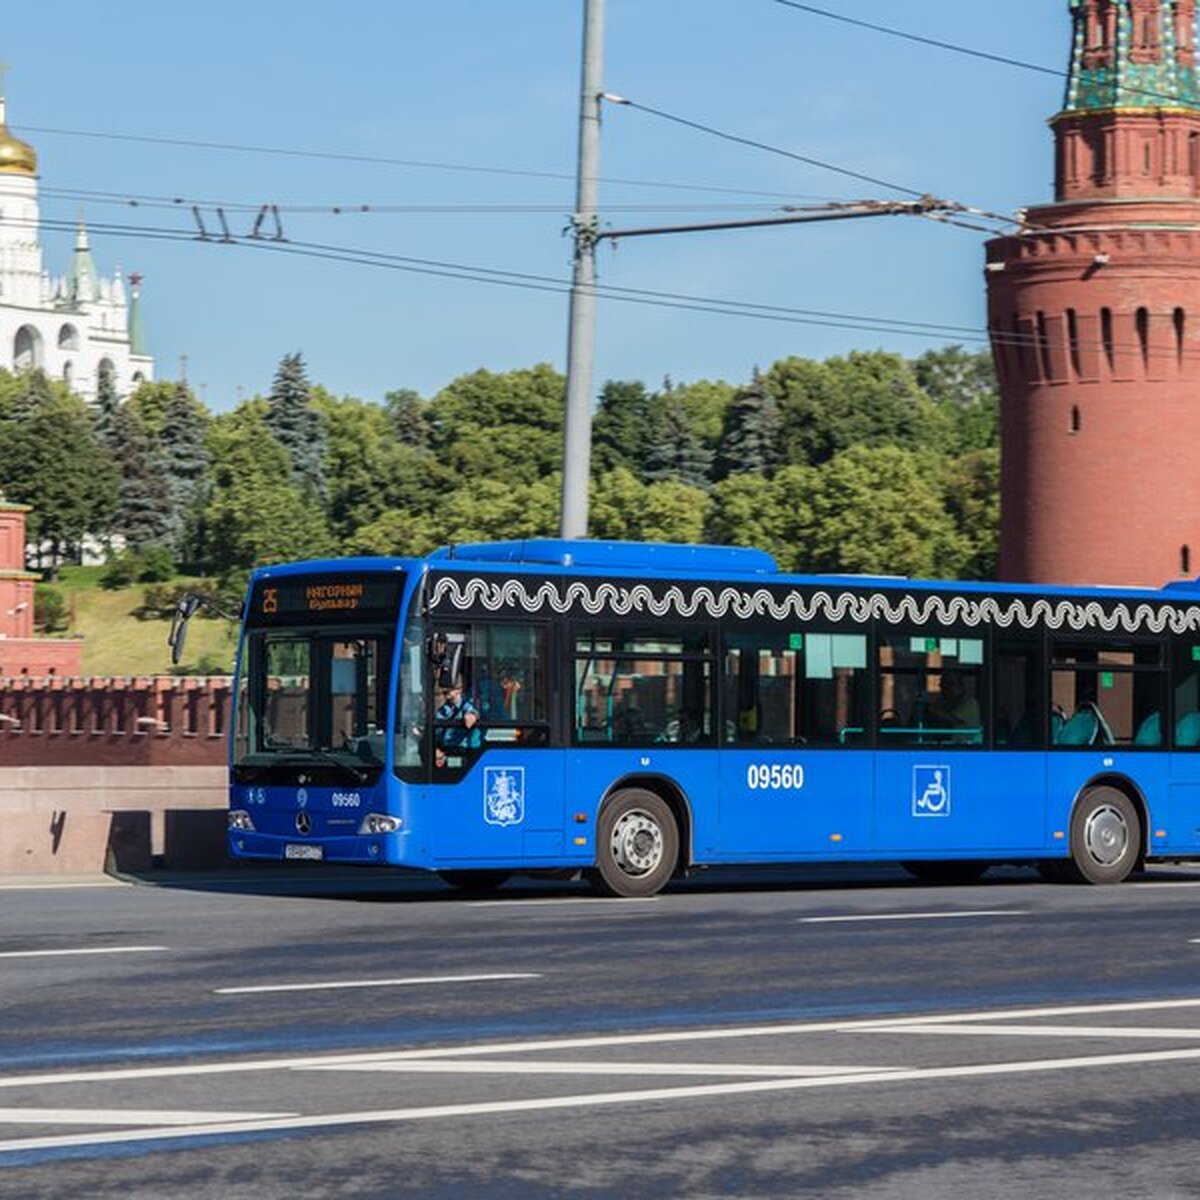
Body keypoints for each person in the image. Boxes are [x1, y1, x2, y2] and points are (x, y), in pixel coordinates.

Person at [434, 678, 481, 766]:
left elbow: (472, 712)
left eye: (449, 689)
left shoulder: (465, 706)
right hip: (445, 749)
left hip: (462, 750)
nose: (444, 690)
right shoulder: (443, 710)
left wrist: (472, 715)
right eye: (444, 689)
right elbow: (438, 732)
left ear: (459, 690)